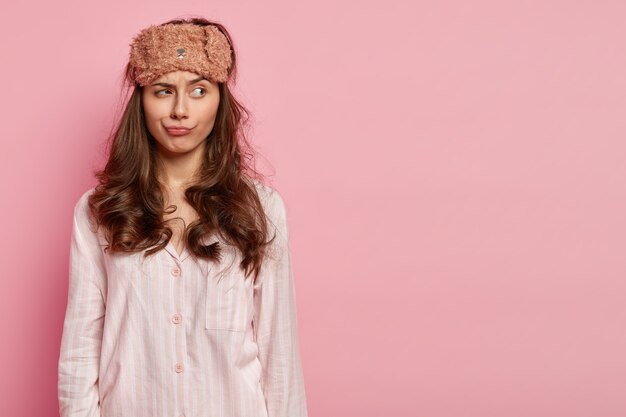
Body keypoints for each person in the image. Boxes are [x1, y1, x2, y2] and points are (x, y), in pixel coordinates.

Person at [58, 17, 308, 417]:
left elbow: (280, 353)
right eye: (163, 91)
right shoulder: (98, 211)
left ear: (219, 99)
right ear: (141, 99)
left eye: (198, 90)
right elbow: (80, 349)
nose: (179, 110)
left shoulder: (261, 208)